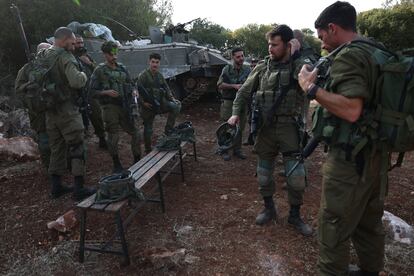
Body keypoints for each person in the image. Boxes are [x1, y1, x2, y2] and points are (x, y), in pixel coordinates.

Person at [298, 2, 387, 275]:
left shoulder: (348, 56)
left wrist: (310, 88)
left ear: (333, 28)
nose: (322, 44)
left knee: (333, 225)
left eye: (322, 36)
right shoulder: (378, 51)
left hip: (350, 159)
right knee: (369, 223)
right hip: (376, 155)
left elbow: (351, 110)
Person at [228, 25, 313, 236]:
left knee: (296, 177)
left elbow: (310, 77)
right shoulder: (262, 68)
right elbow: (243, 92)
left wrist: (298, 53)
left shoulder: (298, 65)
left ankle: (294, 215)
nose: (270, 48)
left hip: (289, 128)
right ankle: (269, 208)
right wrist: (235, 113)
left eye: (275, 45)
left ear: (287, 44)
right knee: (264, 175)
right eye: (269, 44)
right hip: (266, 129)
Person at [43, 27, 95, 200]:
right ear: (64, 40)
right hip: (67, 111)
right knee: (77, 147)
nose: (74, 46)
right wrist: (84, 75)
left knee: (57, 149)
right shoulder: (65, 57)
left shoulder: (42, 56)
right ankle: (79, 188)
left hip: (50, 112)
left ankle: (56, 187)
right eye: (72, 42)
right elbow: (77, 81)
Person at [90, 41, 141, 173]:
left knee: (135, 132)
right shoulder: (99, 71)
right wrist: (105, 92)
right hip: (109, 107)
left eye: (116, 53)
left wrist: (134, 91)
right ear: (105, 55)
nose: (114, 57)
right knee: (113, 136)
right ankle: (116, 164)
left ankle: (137, 159)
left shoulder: (122, 68)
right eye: (111, 54)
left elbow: (131, 83)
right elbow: (91, 92)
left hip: (125, 105)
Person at [15, 42, 52, 170]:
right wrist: (30, 85)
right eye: (45, 51)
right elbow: (18, 90)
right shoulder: (27, 69)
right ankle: (49, 168)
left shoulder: (54, 65)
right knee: (44, 141)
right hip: (38, 111)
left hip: (56, 108)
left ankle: (63, 164)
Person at [137, 53, 181, 153]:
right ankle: (148, 149)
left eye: (157, 62)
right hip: (148, 106)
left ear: (159, 63)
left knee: (176, 106)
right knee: (148, 129)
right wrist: (143, 103)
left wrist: (172, 99)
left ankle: (168, 131)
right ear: (149, 62)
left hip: (160, 103)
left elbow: (166, 88)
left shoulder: (159, 76)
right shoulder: (143, 76)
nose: (155, 64)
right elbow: (137, 92)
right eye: (153, 62)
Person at [217, 47, 251, 160]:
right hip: (229, 101)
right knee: (227, 126)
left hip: (242, 102)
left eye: (242, 56)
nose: (241, 58)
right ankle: (224, 149)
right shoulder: (226, 69)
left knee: (240, 128)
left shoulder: (247, 69)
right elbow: (220, 85)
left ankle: (237, 149)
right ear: (233, 57)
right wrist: (234, 86)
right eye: (238, 57)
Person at [73, 34, 106, 149]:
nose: (80, 45)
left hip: (90, 92)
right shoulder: (70, 58)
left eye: (82, 42)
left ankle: (102, 138)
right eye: (78, 43)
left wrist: (89, 63)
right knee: (80, 120)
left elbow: (97, 70)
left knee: (97, 116)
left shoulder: (86, 56)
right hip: (77, 94)